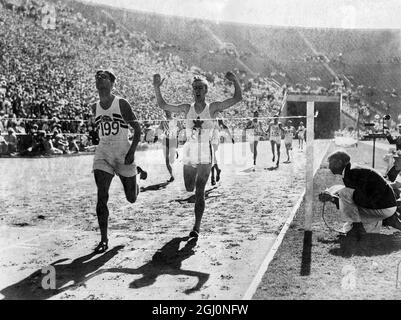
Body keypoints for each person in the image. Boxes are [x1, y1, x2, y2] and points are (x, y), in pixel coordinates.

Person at [153, 72, 242, 238]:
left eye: (200, 87)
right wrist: (157, 87)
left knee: (200, 191)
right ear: (192, 91)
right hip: (189, 150)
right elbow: (163, 105)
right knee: (189, 187)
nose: (197, 90)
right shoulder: (187, 108)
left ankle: (196, 227)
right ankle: (196, 213)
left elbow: (237, 98)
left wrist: (235, 80)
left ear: (206, 90)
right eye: (195, 88)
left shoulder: (213, 107)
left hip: (205, 151)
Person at [91, 69, 143, 254]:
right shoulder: (94, 106)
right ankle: (104, 239)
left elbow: (138, 130)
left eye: (104, 76)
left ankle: (136, 179)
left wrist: (132, 152)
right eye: (97, 77)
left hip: (123, 152)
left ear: (112, 83)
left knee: (131, 198)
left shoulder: (121, 103)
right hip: (103, 153)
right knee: (101, 196)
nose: (99, 79)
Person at [318, 150, 401, 237]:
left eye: (331, 163)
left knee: (344, 192)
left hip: (383, 207)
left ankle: (359, 227)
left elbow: (357, 200)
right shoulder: (352, 169)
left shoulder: (351, 173)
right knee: (341, 191)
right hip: (386, 205)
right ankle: (381, 220)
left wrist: (333, 198)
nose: (329, 166)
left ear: (339, 162)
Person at [157, 110, 178, 182]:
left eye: (168, 111)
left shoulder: (175, 120)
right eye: (166, 112)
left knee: (171, 159)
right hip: (165, 140)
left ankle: (175, 151)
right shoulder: (163, 121)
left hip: (173, 140)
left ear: (171, 112)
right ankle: (172, 175)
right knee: (167, 161)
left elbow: (180, 128)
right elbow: (160, 129)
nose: (167, 113)